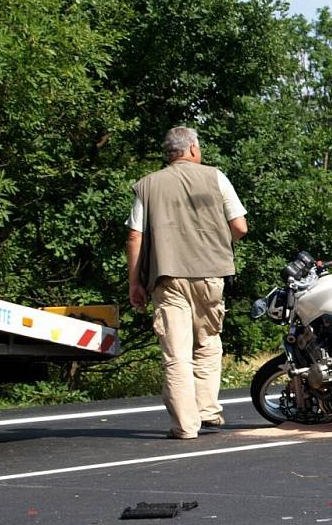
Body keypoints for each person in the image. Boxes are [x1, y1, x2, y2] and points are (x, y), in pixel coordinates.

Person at [125, 126, 248, 439]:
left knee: (176, 352)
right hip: (211, 273)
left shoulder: (148, 185)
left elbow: (135, 235)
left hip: (167, 276)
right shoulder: (216, 177)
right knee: (208, 342)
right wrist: (220, 246)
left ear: (170, 153)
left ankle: (185, 425)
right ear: (193, 149)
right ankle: (208, 410)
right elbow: (240, 226)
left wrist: (135, 282)